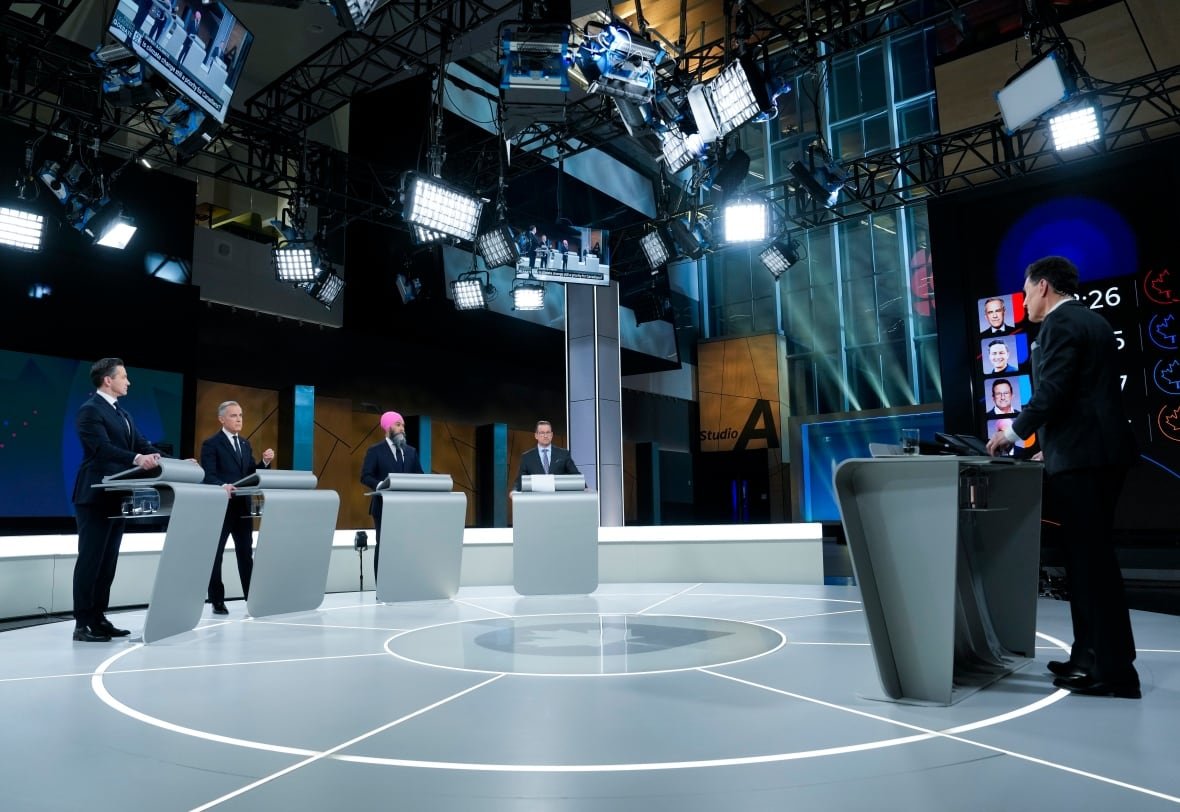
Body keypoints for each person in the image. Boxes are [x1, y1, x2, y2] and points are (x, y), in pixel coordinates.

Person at [987, 256, 1139, 698]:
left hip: (1084, 461)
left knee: (1091, 566)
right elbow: (1079, 397)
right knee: (1088, 563)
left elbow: (1052, 393)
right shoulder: (1091, 321)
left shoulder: (1060, 325)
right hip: (1092, 455)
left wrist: (1011, 434)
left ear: (1045, 287)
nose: (1024, 300)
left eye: (1026, 289)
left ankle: (1111, 672)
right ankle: (1088, 657)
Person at [71, 358, 162, 642]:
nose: (128, 382)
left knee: (107, 562)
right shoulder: (90, 411)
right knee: (91, 560)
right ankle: (82, 623)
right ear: (107, 380)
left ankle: (99, 617)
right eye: (123, 377)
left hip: (118, 495)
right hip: (95, 494)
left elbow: (143, 444)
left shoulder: (123, 414)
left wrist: (173, 461)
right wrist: (137, 458)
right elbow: (101, 449)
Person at [200, 401, 275, 615]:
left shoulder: (245, 444)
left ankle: (251, 598)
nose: (239, 419)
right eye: (234, 415)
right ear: (222, 419)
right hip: (221, 507)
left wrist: (264, 463)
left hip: (242, 507)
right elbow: (208, 476)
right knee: (216, 554)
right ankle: (216, 600)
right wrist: (221, 486)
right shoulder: (211, 444)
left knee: (245, 554)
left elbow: (251, 474)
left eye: (240, 415)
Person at [360, 411, 423, 577]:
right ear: (388, 427)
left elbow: (420, 477)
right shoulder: (375, 451)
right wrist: (381, 485)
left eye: (403, 425)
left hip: (407, 508)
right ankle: (382, 587)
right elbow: (366, 476)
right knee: (384, 545)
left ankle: (403, 582)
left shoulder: (411, 452)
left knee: (406, 546)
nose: (402, 428)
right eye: (398, 424)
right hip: (383, 507)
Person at [513, 420, 580, 491]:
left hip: (558, 497)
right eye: (542, 433)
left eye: (548, 432)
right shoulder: (527, 457)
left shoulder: (563, 454)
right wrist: (515, 491)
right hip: (536, 498)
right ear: (536, 435)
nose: (545, 436)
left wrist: (585, 488)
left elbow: (576, 475)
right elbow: (519, 481)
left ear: (551, 435)